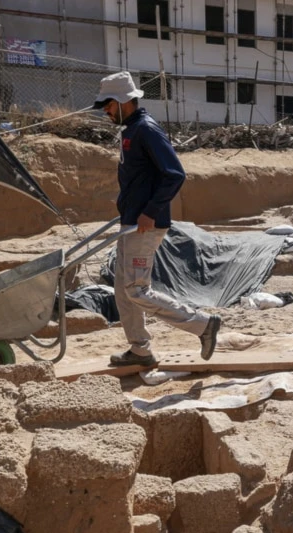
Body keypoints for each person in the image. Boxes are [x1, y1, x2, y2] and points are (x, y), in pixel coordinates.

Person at [91, 71, 221, 366]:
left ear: (124, 101)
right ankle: (140, 350)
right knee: (124, 292)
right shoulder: (130, 130)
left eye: (108, 105)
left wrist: (150, 211)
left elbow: (175, 174)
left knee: (137, 290)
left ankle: (202, 325)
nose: (106, 111)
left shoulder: (147, 130)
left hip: (145, 226)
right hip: (131, 222)